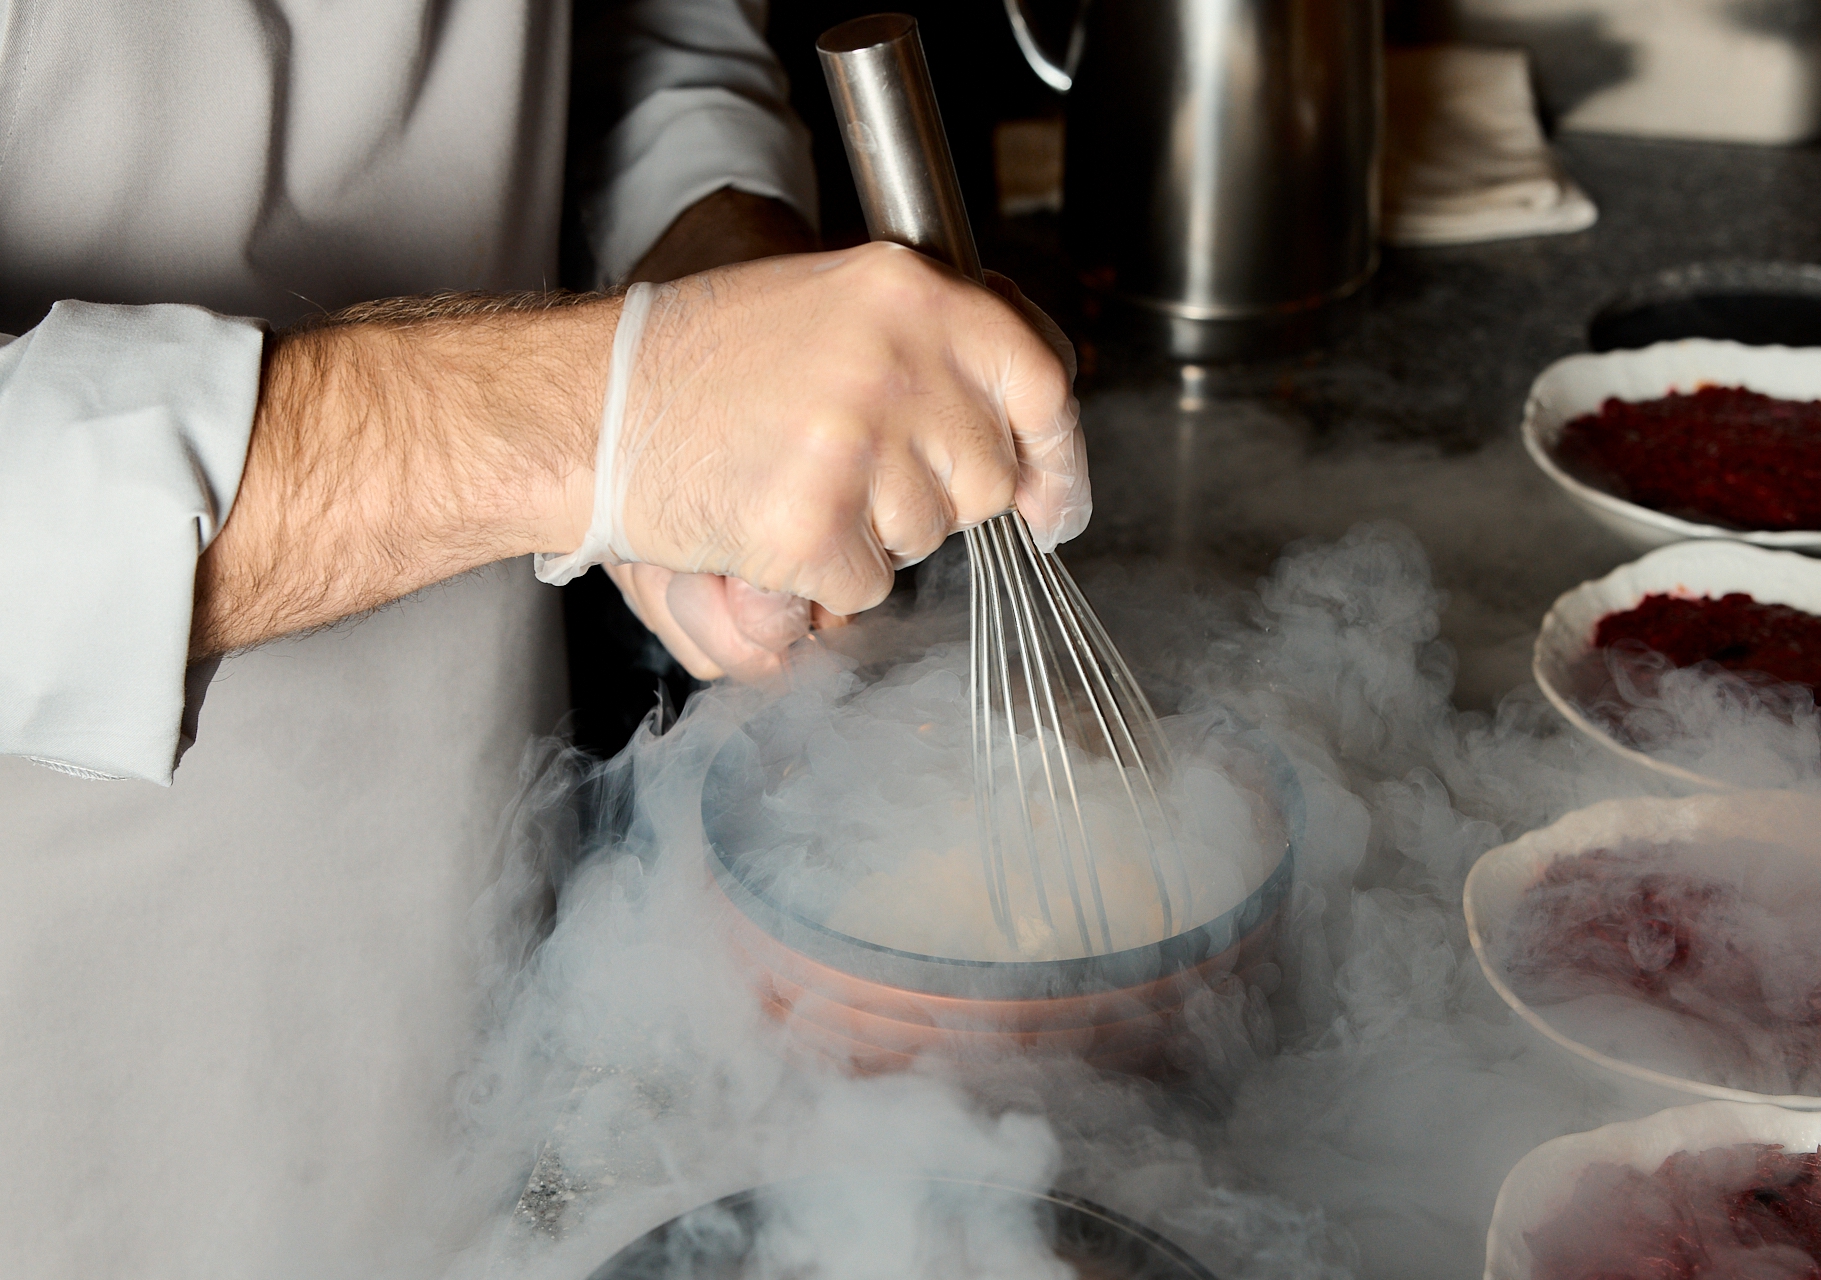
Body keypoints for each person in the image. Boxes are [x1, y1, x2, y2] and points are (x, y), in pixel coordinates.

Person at [0, 3, 1086, 1276]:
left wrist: (713, 284)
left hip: (478, 899)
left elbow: (643, 34)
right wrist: (612, 410)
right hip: (80, 1041)